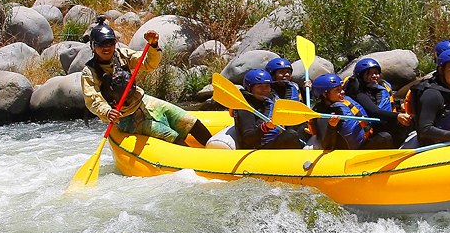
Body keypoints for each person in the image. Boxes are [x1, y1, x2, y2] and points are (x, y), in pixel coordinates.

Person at [81, 17, 211, 146]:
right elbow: (93, 99)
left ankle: (216, 150)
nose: (107, 48)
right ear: (93, 46)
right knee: (170, 135)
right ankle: (191, 162)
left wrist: (153, 46)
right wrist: (107, 112)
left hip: (144, 102)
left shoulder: (122, 55)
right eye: (101, 44)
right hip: (125, 117)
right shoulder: (89, 72)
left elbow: (149, 64)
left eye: (110, 43)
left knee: (190, 121)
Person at [311, 73, 393, 150]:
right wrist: (331, 126)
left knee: (386, 134)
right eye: (337, 90)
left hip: (365, 139)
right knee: (385, 138)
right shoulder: (323, 114)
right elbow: (327, 146)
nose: (342, 92)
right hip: (349, 152)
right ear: (325, 95)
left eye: (341, 88)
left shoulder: (344, 100)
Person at [343, 57, 411, 146]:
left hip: (383, 125)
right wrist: (397, 116)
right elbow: (375, 111)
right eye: (369, 73)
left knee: (410, 120)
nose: (374, 76)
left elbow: (385, 103)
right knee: (385, 137)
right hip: (372, 134)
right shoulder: (359, 94)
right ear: (361, 76)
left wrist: (399, 106)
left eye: (376, 73)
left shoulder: (377, 89)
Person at [233, 69, 307, 149]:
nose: (264, 90)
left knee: (303, 127)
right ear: (249, 88)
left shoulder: (270, 101)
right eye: (259, 87)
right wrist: (265, 127)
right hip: (257, 148)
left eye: (267, 86)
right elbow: (248, 138)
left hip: (273, 142)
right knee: (290, 135)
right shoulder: (245, 108)